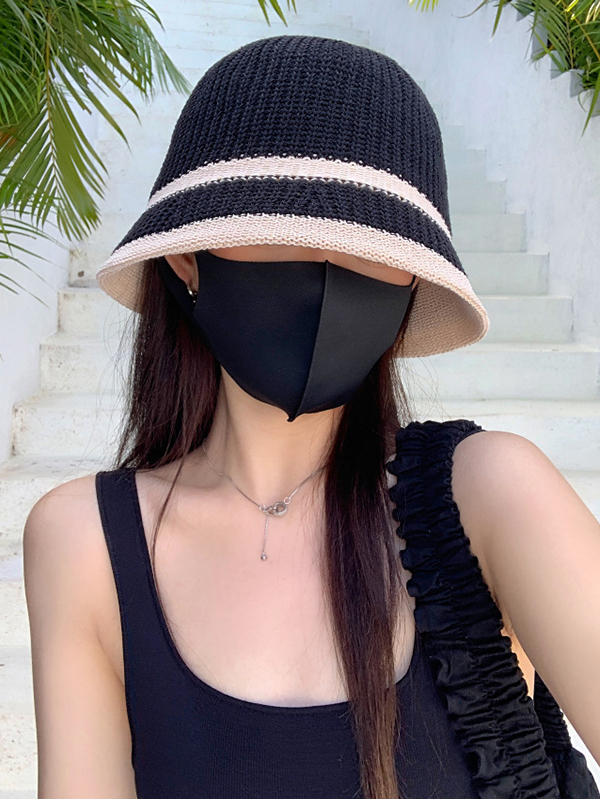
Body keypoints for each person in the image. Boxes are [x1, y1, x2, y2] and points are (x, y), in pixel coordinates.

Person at [22, 34, 600, 799]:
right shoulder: (86, 543)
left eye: (371, 244)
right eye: (283, 228)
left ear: (411, 280)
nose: (329, 273)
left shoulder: (490, 497)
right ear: (188, 258)